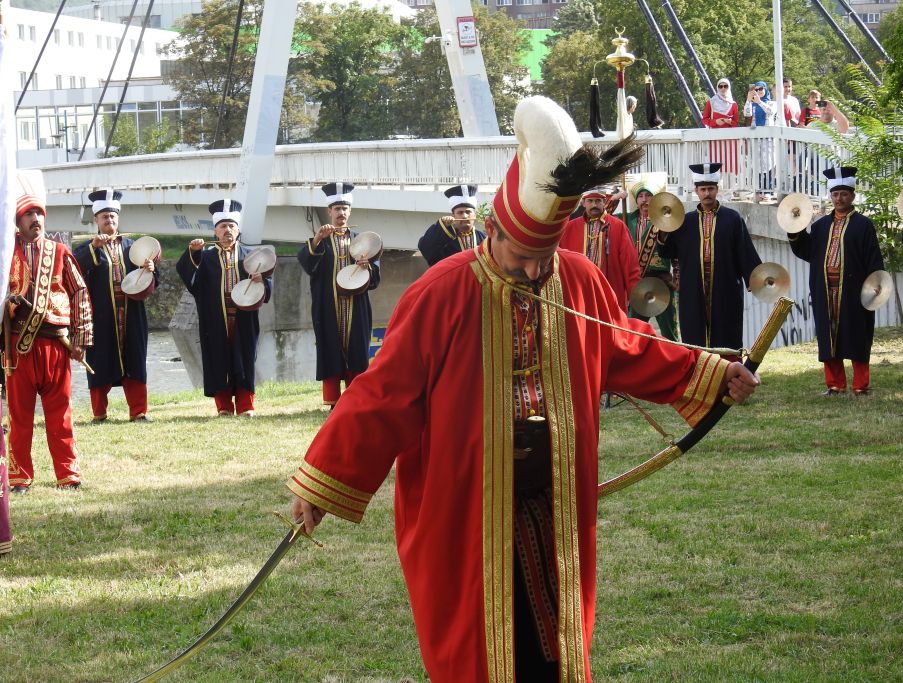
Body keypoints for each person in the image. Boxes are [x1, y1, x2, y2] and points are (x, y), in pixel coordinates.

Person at [286, 96, 760, 681]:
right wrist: (323, 483)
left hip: (554, 496)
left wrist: (709, 372)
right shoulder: (441, 292)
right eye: (524, 256)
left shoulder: (577, 278)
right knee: (477, 642)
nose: (535, 271)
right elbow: (381, 397)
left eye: (546, 256)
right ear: (492, 230)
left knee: (554, 638)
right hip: (466, 503)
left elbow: (625, 345)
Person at [4, 193, 92, 492]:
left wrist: (81, 338)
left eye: (39, 214)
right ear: (18, 222)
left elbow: (79, 292)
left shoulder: (60, 252)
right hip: (18, 346)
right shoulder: (5, 254)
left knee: (60, 413)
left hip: (56, 345)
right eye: (28, 215)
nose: (36, 219)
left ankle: (68, 475)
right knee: (19, 416)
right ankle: (19, 478)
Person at [789, 167, 884, 395]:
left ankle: (860, 385)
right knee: (828, 335)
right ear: (830, 196)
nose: (839, 198)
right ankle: (835, 384)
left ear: (852, 195)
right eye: (835, 194)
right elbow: (807, 251)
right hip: (824, 289)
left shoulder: (863, 225)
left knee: (858, 335)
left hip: (854, 290)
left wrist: (875, 284)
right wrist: (794, 231)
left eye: (843, 194)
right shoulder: (820, 226)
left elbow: (873, 258)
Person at [176, 199, 271, 417]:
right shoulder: (206, 257)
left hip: (244, 317)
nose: (227, 230)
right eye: (223, 226)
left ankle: (246, 406)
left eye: (231, 226)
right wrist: (193, 253)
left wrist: (262, 281)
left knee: (245, 359)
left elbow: (267, 282)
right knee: (218, 360)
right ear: (215, 231)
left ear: (238, 230)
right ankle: (224, 407)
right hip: (215, 318)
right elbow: (190, 279)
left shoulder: (251, 256)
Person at [73, 189, 158, 423]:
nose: (109, 220)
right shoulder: (87, 248)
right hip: (101, 316)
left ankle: (138, 411)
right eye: (104, 217)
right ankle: (99, 413)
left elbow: (151, 279)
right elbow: (74, 268)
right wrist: (94, 248)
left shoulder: (133, 247)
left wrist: (151, 270)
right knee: (99, 361)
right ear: (96, 220)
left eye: (112, 216)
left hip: (132, 314)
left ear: (118, 219)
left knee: (135, 360)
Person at [659, 163, 762, 354]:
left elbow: (745, 252)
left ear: (717, 189)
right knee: (694, 334)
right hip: (693, 288)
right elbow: (667, 251)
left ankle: (728, 370)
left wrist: (758, 280)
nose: (707, 193)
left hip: (725, 287)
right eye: (703, 189)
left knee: (726, 333)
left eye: (711, 189)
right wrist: (663, 229)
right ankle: (699, 371)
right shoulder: (685, 221)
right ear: (696, 191)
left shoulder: (732, 219)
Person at [299, 182, 380, 408]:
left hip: (356, 304)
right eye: (337, 209)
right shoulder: (321, 240)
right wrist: (317, 239)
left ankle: (356, 399)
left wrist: (367, 266)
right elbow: (307, 265)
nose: (341, 213)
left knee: (357, 349)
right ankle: (333, 399)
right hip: (328, 305)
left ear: (350, 211)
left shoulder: (363, 240)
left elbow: (375, 278)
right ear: (329, 211)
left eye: (345, 208)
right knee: (329, 347)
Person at [559, 186, 639, 310]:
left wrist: (635, 294)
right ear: (583, 203)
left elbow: (629, 264)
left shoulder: (618, 226)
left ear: (604, 202)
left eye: (598, 201)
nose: (594, 205)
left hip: (611, 292)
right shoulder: (570, 228)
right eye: (590, 201)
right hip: (578, 293)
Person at [625, 179, 679, 340]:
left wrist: (678, 277)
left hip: (662, 282)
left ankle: (675, 356)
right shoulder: (626, 219)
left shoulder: (666, 220)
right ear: (636, 200)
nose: (644, 200)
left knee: (670, 333)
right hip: (637, 283)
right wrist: (615, 199)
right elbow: (602, 215)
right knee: (633, 332)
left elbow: (677, 252)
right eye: (640, 196)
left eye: (648, 195)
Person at [417, 184, 486, 267]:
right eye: (460, 213)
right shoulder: (445, 239)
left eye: (468, 212)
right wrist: (442, 226)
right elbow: (425, 248)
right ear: (453, 216)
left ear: (474, 215)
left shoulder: (484, 239)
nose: (464, 216)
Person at [743, 81, 784, 199]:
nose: (759, 91)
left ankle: (768, 190)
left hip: (768, 138)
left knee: (769, 163)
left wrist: (759, 102)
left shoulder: (772, 103)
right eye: (756, 89)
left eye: (761, 89)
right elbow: (747, 113)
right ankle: (757, 190)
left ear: (765, 90)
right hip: (756, 138)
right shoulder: (752, 104)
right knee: (756, 163)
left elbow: (770, 112)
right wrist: (748, 100)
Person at [701, 78, 739, 174]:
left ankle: (731, 182)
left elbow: (736, 123)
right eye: (720, 86)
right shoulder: (711, 102)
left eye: (725, 86)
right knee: (715, 162)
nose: (723, 88)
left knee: (730, 162)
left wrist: (729, 121)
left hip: (730, 139)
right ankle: (716, 181)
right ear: (717, 88)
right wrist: (715, 122)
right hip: (715, 137)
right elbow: (704, 120)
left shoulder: (733, 104)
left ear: (729, 87)